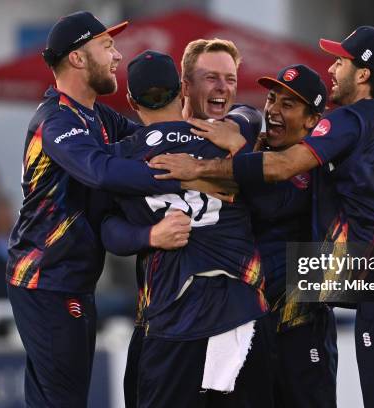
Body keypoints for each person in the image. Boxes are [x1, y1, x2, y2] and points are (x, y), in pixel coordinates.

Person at [150, 26, 374, 407]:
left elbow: (283, 168)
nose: (333, 68)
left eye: (341, 61)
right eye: (272, 99)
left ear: (362, 75)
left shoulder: (348, 121)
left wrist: (200, 168)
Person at [6, 11, 190, 407]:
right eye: (107, 46)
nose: (118, 56)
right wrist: (187, 177)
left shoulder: (98, 115)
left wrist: (212, 140)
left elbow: (149, 142)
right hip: (46, 280)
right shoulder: (55, 121)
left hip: (70, 278)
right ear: (77, 58)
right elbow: (103, 172)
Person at [103, 50, 271, 408]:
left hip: (175, 315)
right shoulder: (228, 138)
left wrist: (148, 236)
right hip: (243, 309)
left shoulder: (118, 158)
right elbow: (252, 120)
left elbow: (108, 231)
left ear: (131, 100)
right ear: (182, 90)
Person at [189, 64, 338, 407]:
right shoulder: (260, 151)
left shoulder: (312, 166)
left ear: (312, 120)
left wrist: (240, 147)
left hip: (299, 324)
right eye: (272, 98)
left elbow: (273, 202)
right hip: (247, 327)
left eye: (288, 104)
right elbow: (244, 113)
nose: (273, 110)